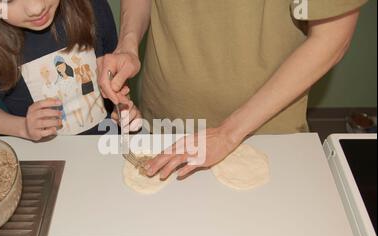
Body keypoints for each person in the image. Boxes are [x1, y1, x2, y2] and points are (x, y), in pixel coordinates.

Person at [98, 0, 367, 179]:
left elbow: (332, 36)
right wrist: (128, 45)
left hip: (265, 132)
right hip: (165, 123)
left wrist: (228, 133)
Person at [0, 0, 140, 140]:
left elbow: (111, 70)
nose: (36, 8)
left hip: (106, 142)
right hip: (45, 157)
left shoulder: (91, 5)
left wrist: (121, 107)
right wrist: (23, 128)